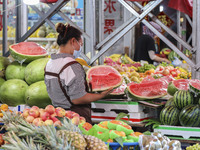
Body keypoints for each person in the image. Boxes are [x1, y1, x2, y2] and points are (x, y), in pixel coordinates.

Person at [44, 23, 113, 123]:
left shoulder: (49, 63)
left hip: (57, 116)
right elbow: (78, 98)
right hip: (75, 118)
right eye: (81, 44)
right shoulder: (72, 65)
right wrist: (101, 95)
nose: (80, 48)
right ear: (73, 41)